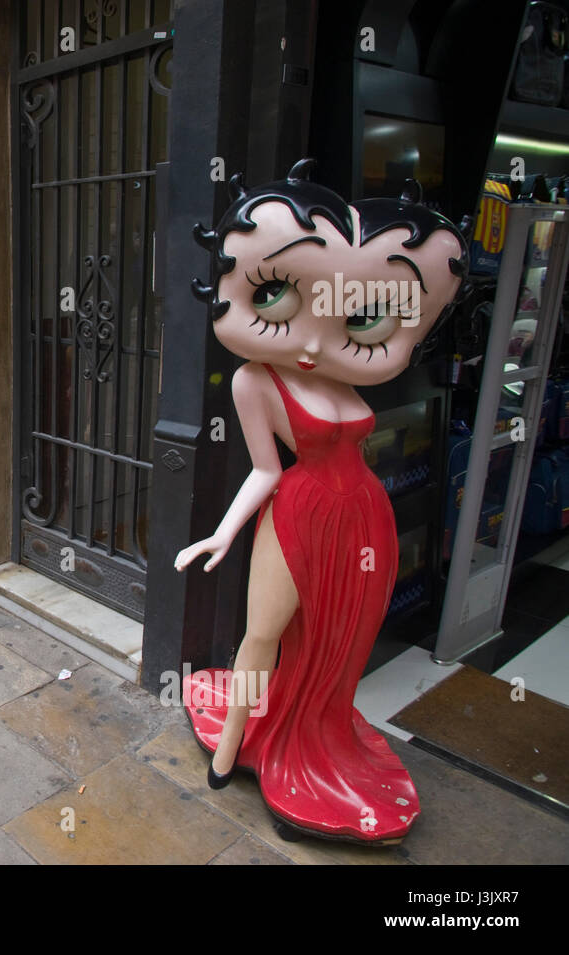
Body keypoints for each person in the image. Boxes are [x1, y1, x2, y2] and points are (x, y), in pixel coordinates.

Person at [174, 160, 467, 844]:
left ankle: (313, 726)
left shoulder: (342, 380)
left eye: (360, 314)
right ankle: (229, 752)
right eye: (278, 296)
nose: (313, 339)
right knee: (262, 634)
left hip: (364, 519)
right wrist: (222, 533)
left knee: (340, 642)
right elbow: (265, 470)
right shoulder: (255, 381)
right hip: (299, 515)